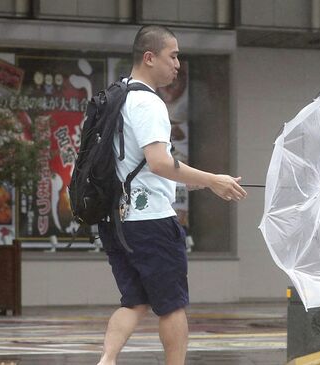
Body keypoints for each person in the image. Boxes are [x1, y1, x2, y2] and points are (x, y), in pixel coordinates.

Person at [97, 25, 247, 365]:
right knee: (172, 306)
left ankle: (106, 360)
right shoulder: (149, 103)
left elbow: (140, 164)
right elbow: (160, 162)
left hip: (117, 221)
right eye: (173, 55)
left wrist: (188, 180)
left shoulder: (117, 95)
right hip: (151, 223)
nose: (178, 64)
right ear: (150, 58)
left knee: (133, 302)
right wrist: (212, 180)